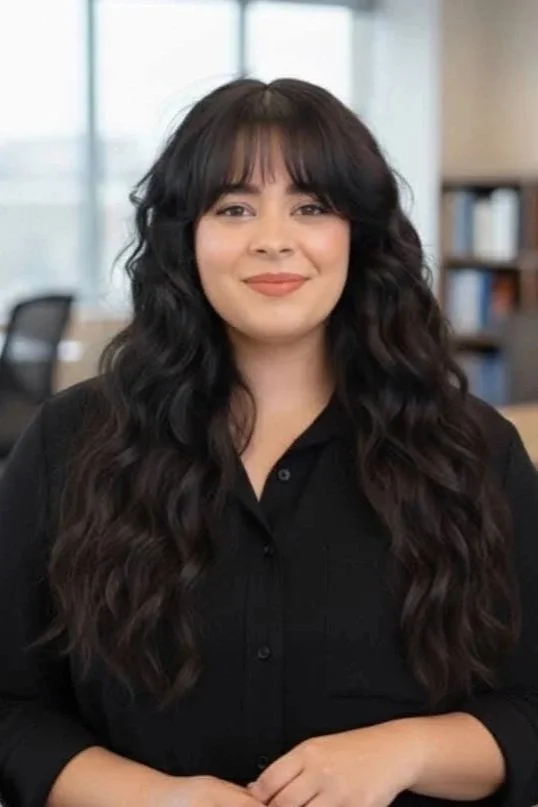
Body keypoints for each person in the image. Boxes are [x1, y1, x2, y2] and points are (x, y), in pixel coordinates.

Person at [0, 77, 537, 807]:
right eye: (235, 207)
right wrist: (154, 798)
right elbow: (12, 706)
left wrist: (408, 749)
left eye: (312, 205)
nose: (274, 238)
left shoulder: (475, 453)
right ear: (185, 235)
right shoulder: (71, 443)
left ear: (360, 232)